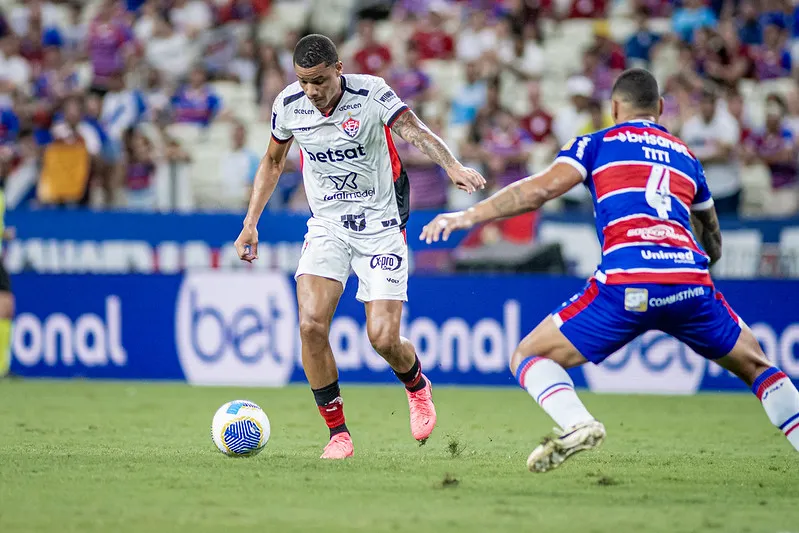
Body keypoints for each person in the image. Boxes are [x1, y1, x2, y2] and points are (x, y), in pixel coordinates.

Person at [420, 68, 799, 472]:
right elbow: (712, 236)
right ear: (661, 108)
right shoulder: (686, 156)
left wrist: (469, 216)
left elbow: (539, 190)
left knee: (529, 356)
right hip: (691, 283)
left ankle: (578, 423)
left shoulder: (597, 144)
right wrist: (700, 270)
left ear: (614, 107)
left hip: (627, 283)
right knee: (760, 368)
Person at [234, 34, 486, 460]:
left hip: (381, 225)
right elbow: (273, 161)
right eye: (303, 82)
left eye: (318, 81)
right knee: (311, 325)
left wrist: (452, 165)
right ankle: (338, 434)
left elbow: (413, 129)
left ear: (338, 68)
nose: (311, 91)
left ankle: (417, 386)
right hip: (328, 225)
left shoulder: (371, 93)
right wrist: (250, 223)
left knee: (383, 338)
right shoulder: (288, 105)